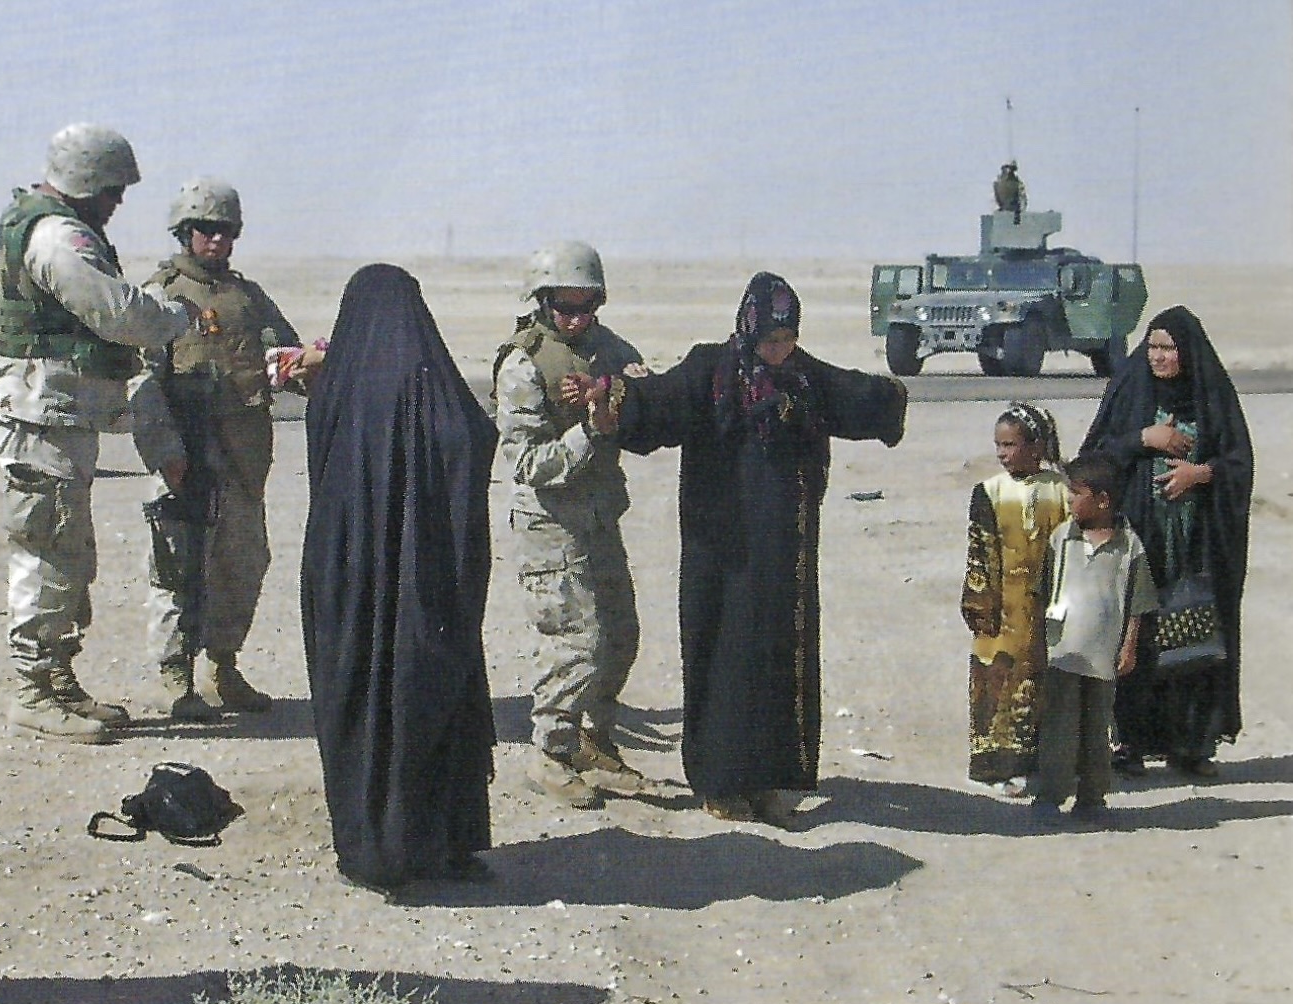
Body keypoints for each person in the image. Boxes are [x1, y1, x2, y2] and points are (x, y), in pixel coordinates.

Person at [570, 272, 907, 825]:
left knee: (778, 658)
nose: (780, 350)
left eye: (788, 339)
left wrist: (890, 396)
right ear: (749, 331)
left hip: (783, 554)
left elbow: (851, 394)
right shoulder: (711, 370)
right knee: (724, 659)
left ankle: (769, 779)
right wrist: (612, 399)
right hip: (722, 553)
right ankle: (722, 784)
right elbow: (661, 401)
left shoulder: (803, 376)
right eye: (771, 340)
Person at [0, 123, 199, 743]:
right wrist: (173, 317)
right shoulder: (58, 236)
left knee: (68, 549)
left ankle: (56, 681)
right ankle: (33, 690)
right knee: (50, 549)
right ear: (86, 182)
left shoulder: (51, 225)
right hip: (38, 413)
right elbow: (118, 313)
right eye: (111, 188)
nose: (117, 201)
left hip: (56, 414)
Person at [302, 264, 498, 893]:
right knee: (430, 690)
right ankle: (440, 845)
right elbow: (473, 438)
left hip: (346, 578)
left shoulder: (337, 386)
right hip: (428, 579)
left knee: (356, 699)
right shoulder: (433, 384)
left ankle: (372, 849)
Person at [131, 178, 313, 721]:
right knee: (177, 566)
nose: (216, 239)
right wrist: (164, 448)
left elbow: (283, 352)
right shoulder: (161, 295)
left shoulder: (247, 297)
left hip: (242, 457)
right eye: (206, 229)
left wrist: (305, 366)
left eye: (225, 230)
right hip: (185, 456)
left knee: (242, 564)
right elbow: (141, 380)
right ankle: (174, 675)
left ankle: (222, 666)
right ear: (185, 232)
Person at [492, 240, 654, 810]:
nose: (577, 319)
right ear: (542, 302)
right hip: (551, 527)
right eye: (566, 307)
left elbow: (647, 403)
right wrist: (590, 429)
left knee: (621, 637)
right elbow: (529, 463)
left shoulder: (613, 351)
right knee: (576, 643)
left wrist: (624, 398)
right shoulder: (523, 365)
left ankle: (595, 739)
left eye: (588, 306)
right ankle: (551, 752)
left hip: (600, 517)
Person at [1079, 306, 1253, 778]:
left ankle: (1191, 744)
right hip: (1139, 547)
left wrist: (1203, 473)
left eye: (1168, 348)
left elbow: (1240, 463)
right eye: (1152, 346)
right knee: (1134, 640)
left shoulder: (1211, 397)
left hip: (1197, 550)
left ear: (1188, 352)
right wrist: (1144, 438)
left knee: (1193, 640)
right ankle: (1129, 742)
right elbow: (1092, 460)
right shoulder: (1130, 391)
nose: (1157, 356)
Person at [1032, 453, 1158, 823]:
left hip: (1104, 656)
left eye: (1076, 494)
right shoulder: (1062, 538)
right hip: (1063, 651)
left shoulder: (1129, 546)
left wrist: (1129, 646)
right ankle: (1051, 795)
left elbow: (1138, 603)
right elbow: (1043, 591)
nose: (1069, 500)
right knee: (1059, 726)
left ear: (1102, 500)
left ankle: (1092, 798)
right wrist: (1037, 643)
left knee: (1096, 729)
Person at [960, 402, 1071, 795]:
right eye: (998, 445)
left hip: (1049, 608)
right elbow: (980, 552)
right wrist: (979, 603)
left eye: (1010, 445)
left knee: (1045, 681)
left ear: (1036, 447)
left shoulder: (1063, 491)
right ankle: (998, 762)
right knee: (998, 679)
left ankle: (1042, 763)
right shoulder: (989, 492)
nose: (1002, 454)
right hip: (1001, 611)